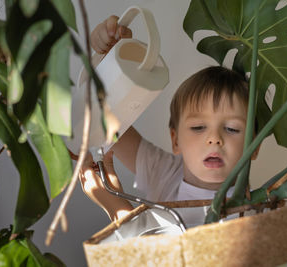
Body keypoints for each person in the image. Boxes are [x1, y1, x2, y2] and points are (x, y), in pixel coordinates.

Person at [79, 16, 261, 227]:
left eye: (231, 128)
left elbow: (153, 256)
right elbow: (106, 115)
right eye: (198, 127)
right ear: (176, 140)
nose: (214, 138)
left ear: (254, 146)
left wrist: (113, 204)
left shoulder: (243, 217)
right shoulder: (166, 172)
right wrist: (110, 58)